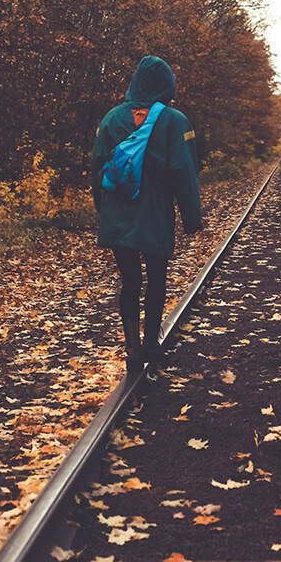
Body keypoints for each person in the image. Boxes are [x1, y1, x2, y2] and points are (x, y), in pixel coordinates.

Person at [91, 56, 203, 377]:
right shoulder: (174, 120)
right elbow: (185, 173)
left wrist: (104, 211)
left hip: (118, 212)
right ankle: (151, 343)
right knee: (156, 278)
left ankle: (132, 345)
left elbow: (97, 166)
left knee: (129, 280)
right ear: (167, 85)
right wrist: (191, 218)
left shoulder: (111, 119)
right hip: (154, 212)